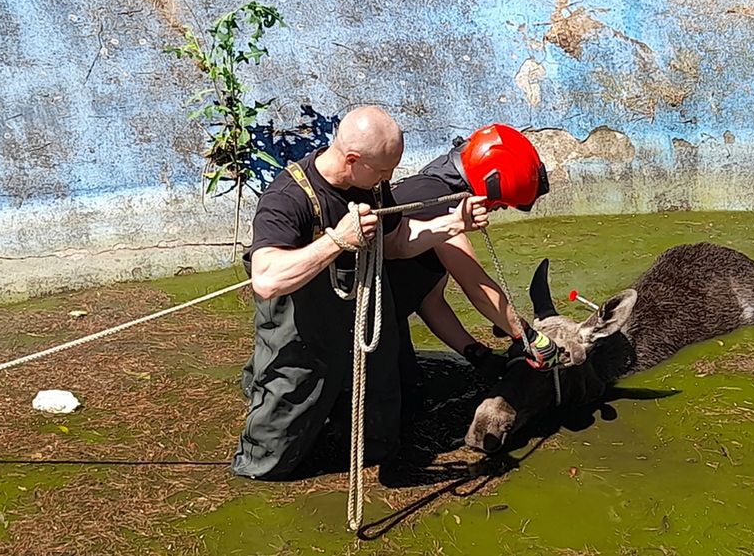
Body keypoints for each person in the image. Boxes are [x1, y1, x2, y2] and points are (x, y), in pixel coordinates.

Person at [233, 106, 490, 480]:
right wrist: (338, 240)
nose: (389, 178)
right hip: (302, 326)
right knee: (269, 462)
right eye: (384, 170)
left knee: (381, 441)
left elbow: (398, 242)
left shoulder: (372, 184)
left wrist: (454, 223)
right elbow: (267, 278)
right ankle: (267, 393)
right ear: (352, 159)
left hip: (361, 318)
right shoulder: (288, 197)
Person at [387, 124, 555, 396]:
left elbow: (430, 301)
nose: (497, 211)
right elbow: (476, 286)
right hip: (352, 325)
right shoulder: (437, 202)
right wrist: (527, 336)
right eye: (499, 205)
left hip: (387, 317)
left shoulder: (436, 187)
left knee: (410, 388)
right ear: (489, 183)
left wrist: (477, 353)